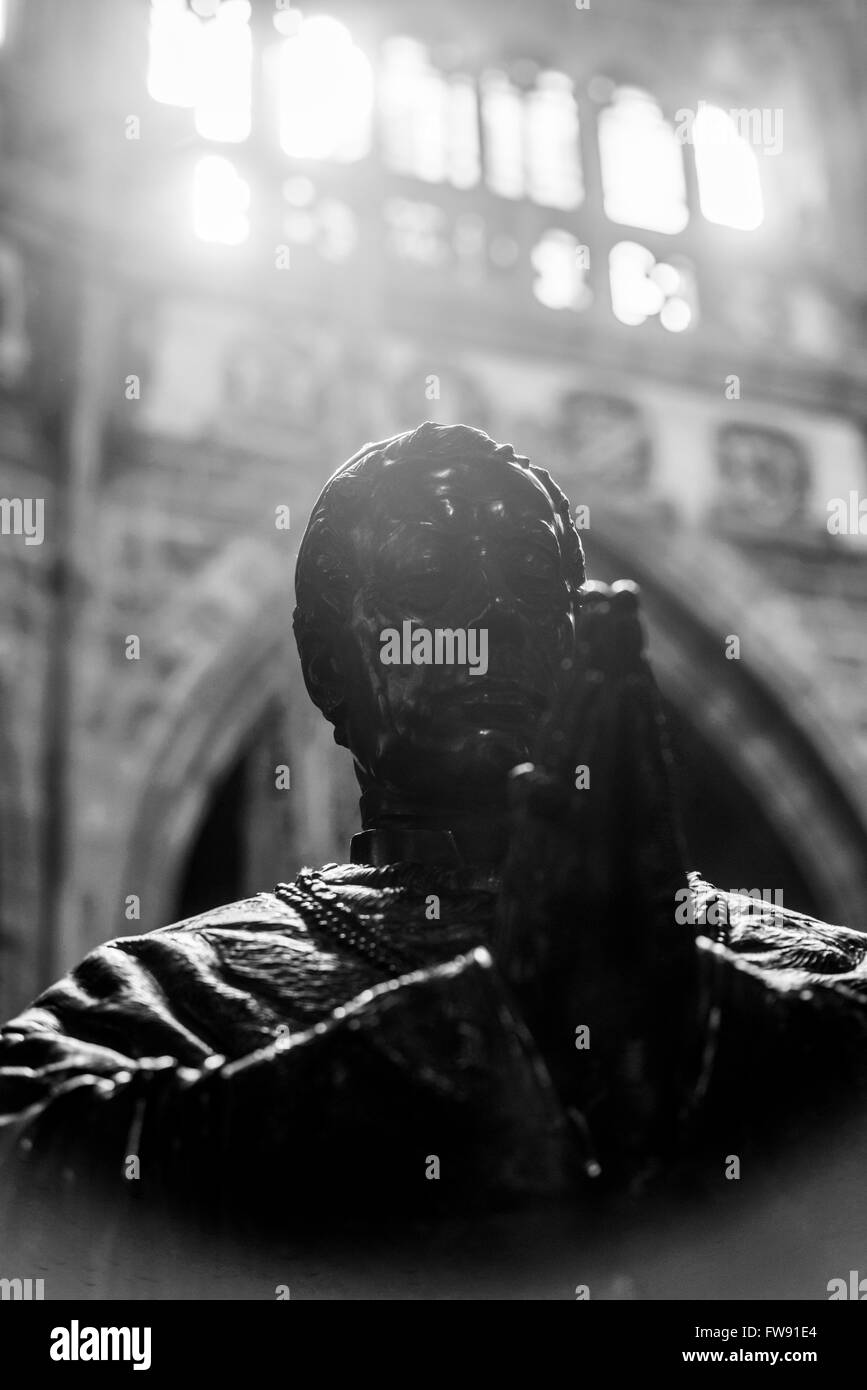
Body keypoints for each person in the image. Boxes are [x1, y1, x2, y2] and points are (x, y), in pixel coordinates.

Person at [2, 423, 865, 1287]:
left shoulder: (810, 974)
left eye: (530, 576)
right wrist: (488, 1017)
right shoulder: (175, 990)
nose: (491, 615)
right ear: (326, 661)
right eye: (427, 574)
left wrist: (685, 1006)